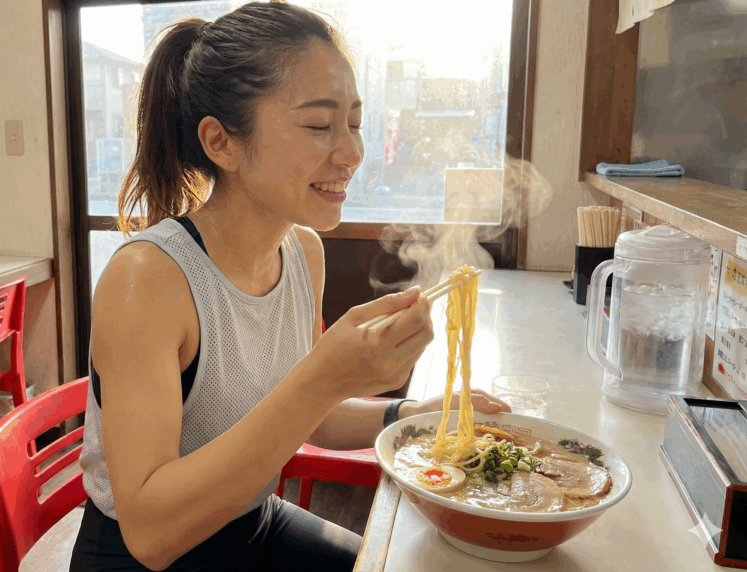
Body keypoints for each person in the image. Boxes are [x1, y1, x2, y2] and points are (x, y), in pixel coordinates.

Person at [70, 2, 509, 570]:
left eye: (353, 122)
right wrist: (326, 372)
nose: (352, 153)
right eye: (319, 125)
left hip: (251, 521)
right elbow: (150, 532)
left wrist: (417, 414)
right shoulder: (148, 278)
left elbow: (310, 412)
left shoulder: (303, 252)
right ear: (221, 142)